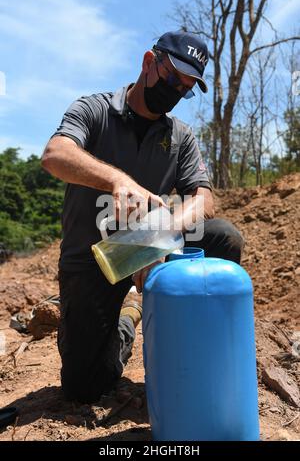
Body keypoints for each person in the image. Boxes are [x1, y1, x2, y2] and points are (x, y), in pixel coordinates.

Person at [42, 31, 244, 403]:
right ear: (149, 62)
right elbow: (55, 154)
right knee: (84, 388)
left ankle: (191, 344)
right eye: (172, 78)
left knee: (222, 236)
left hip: (149, 250)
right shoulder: (94, 109)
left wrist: (159, 236)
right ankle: (128, 319)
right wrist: (115, 180)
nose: (176, 91)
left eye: (185, 89)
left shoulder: (180, 136)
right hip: (92, 262)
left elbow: (203, 199)